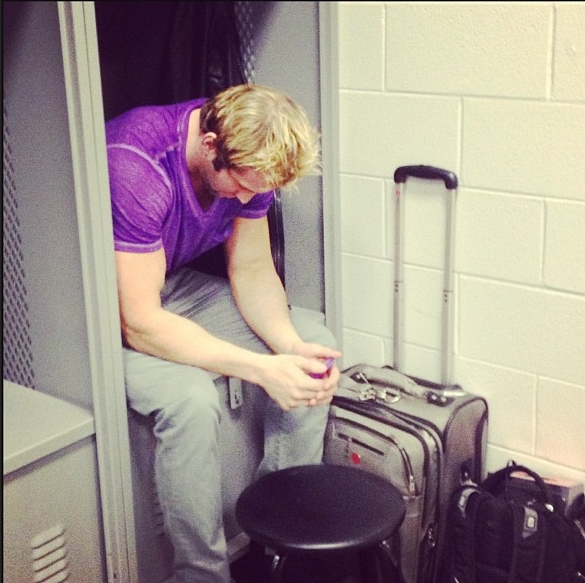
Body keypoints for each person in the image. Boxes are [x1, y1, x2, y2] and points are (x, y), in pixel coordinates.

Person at [105, 83, 341, 583]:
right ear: (210, 145)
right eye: (241, 185)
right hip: (97, 314)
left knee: (312, 342)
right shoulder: (137, 164)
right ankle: (202, 575)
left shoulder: (250, 162)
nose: (249, 199)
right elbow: (138, 322)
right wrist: (261, 369)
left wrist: (289, 350)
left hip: (165, 285)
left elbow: (251, 270)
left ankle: (279, 537)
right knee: (192, 400)